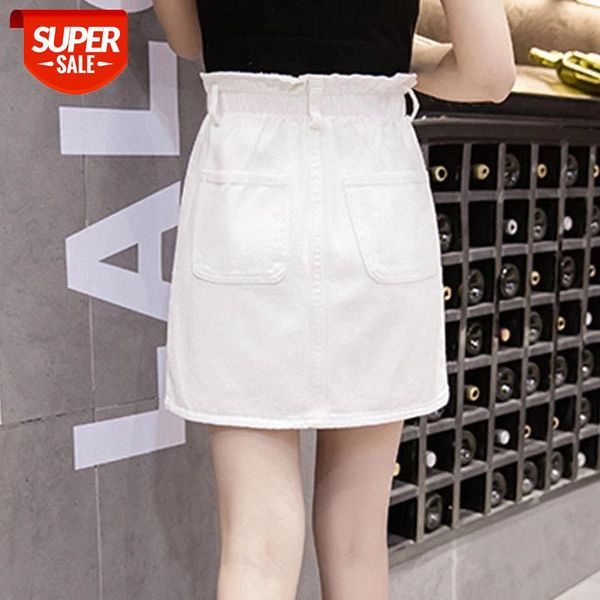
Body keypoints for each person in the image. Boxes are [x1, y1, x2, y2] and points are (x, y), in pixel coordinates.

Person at [153, 2, 516, 599]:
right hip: (373, 177)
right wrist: (389, 63)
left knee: (255, 545)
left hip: (243, 174)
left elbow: (189, 38)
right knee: (357, 535)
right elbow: (490, 72)